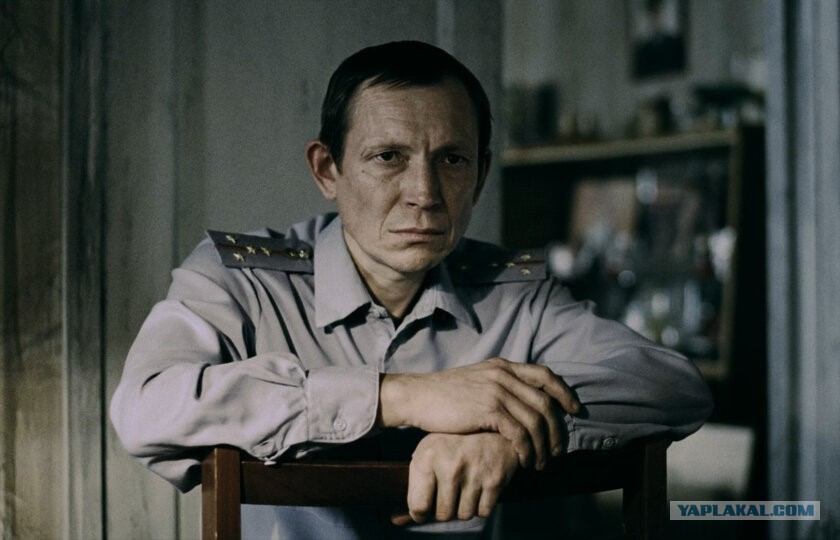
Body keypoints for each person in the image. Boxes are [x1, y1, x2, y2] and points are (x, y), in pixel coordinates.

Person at [110, 40, 712, 539]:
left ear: (480, 174)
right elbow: (144, 406)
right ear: (327, 170)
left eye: (452, 160)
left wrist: (507, 432)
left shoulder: (514, 294)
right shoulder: (243, 280)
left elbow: (672, 383)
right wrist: (398, 398)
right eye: (389, 157)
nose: (424, 194)